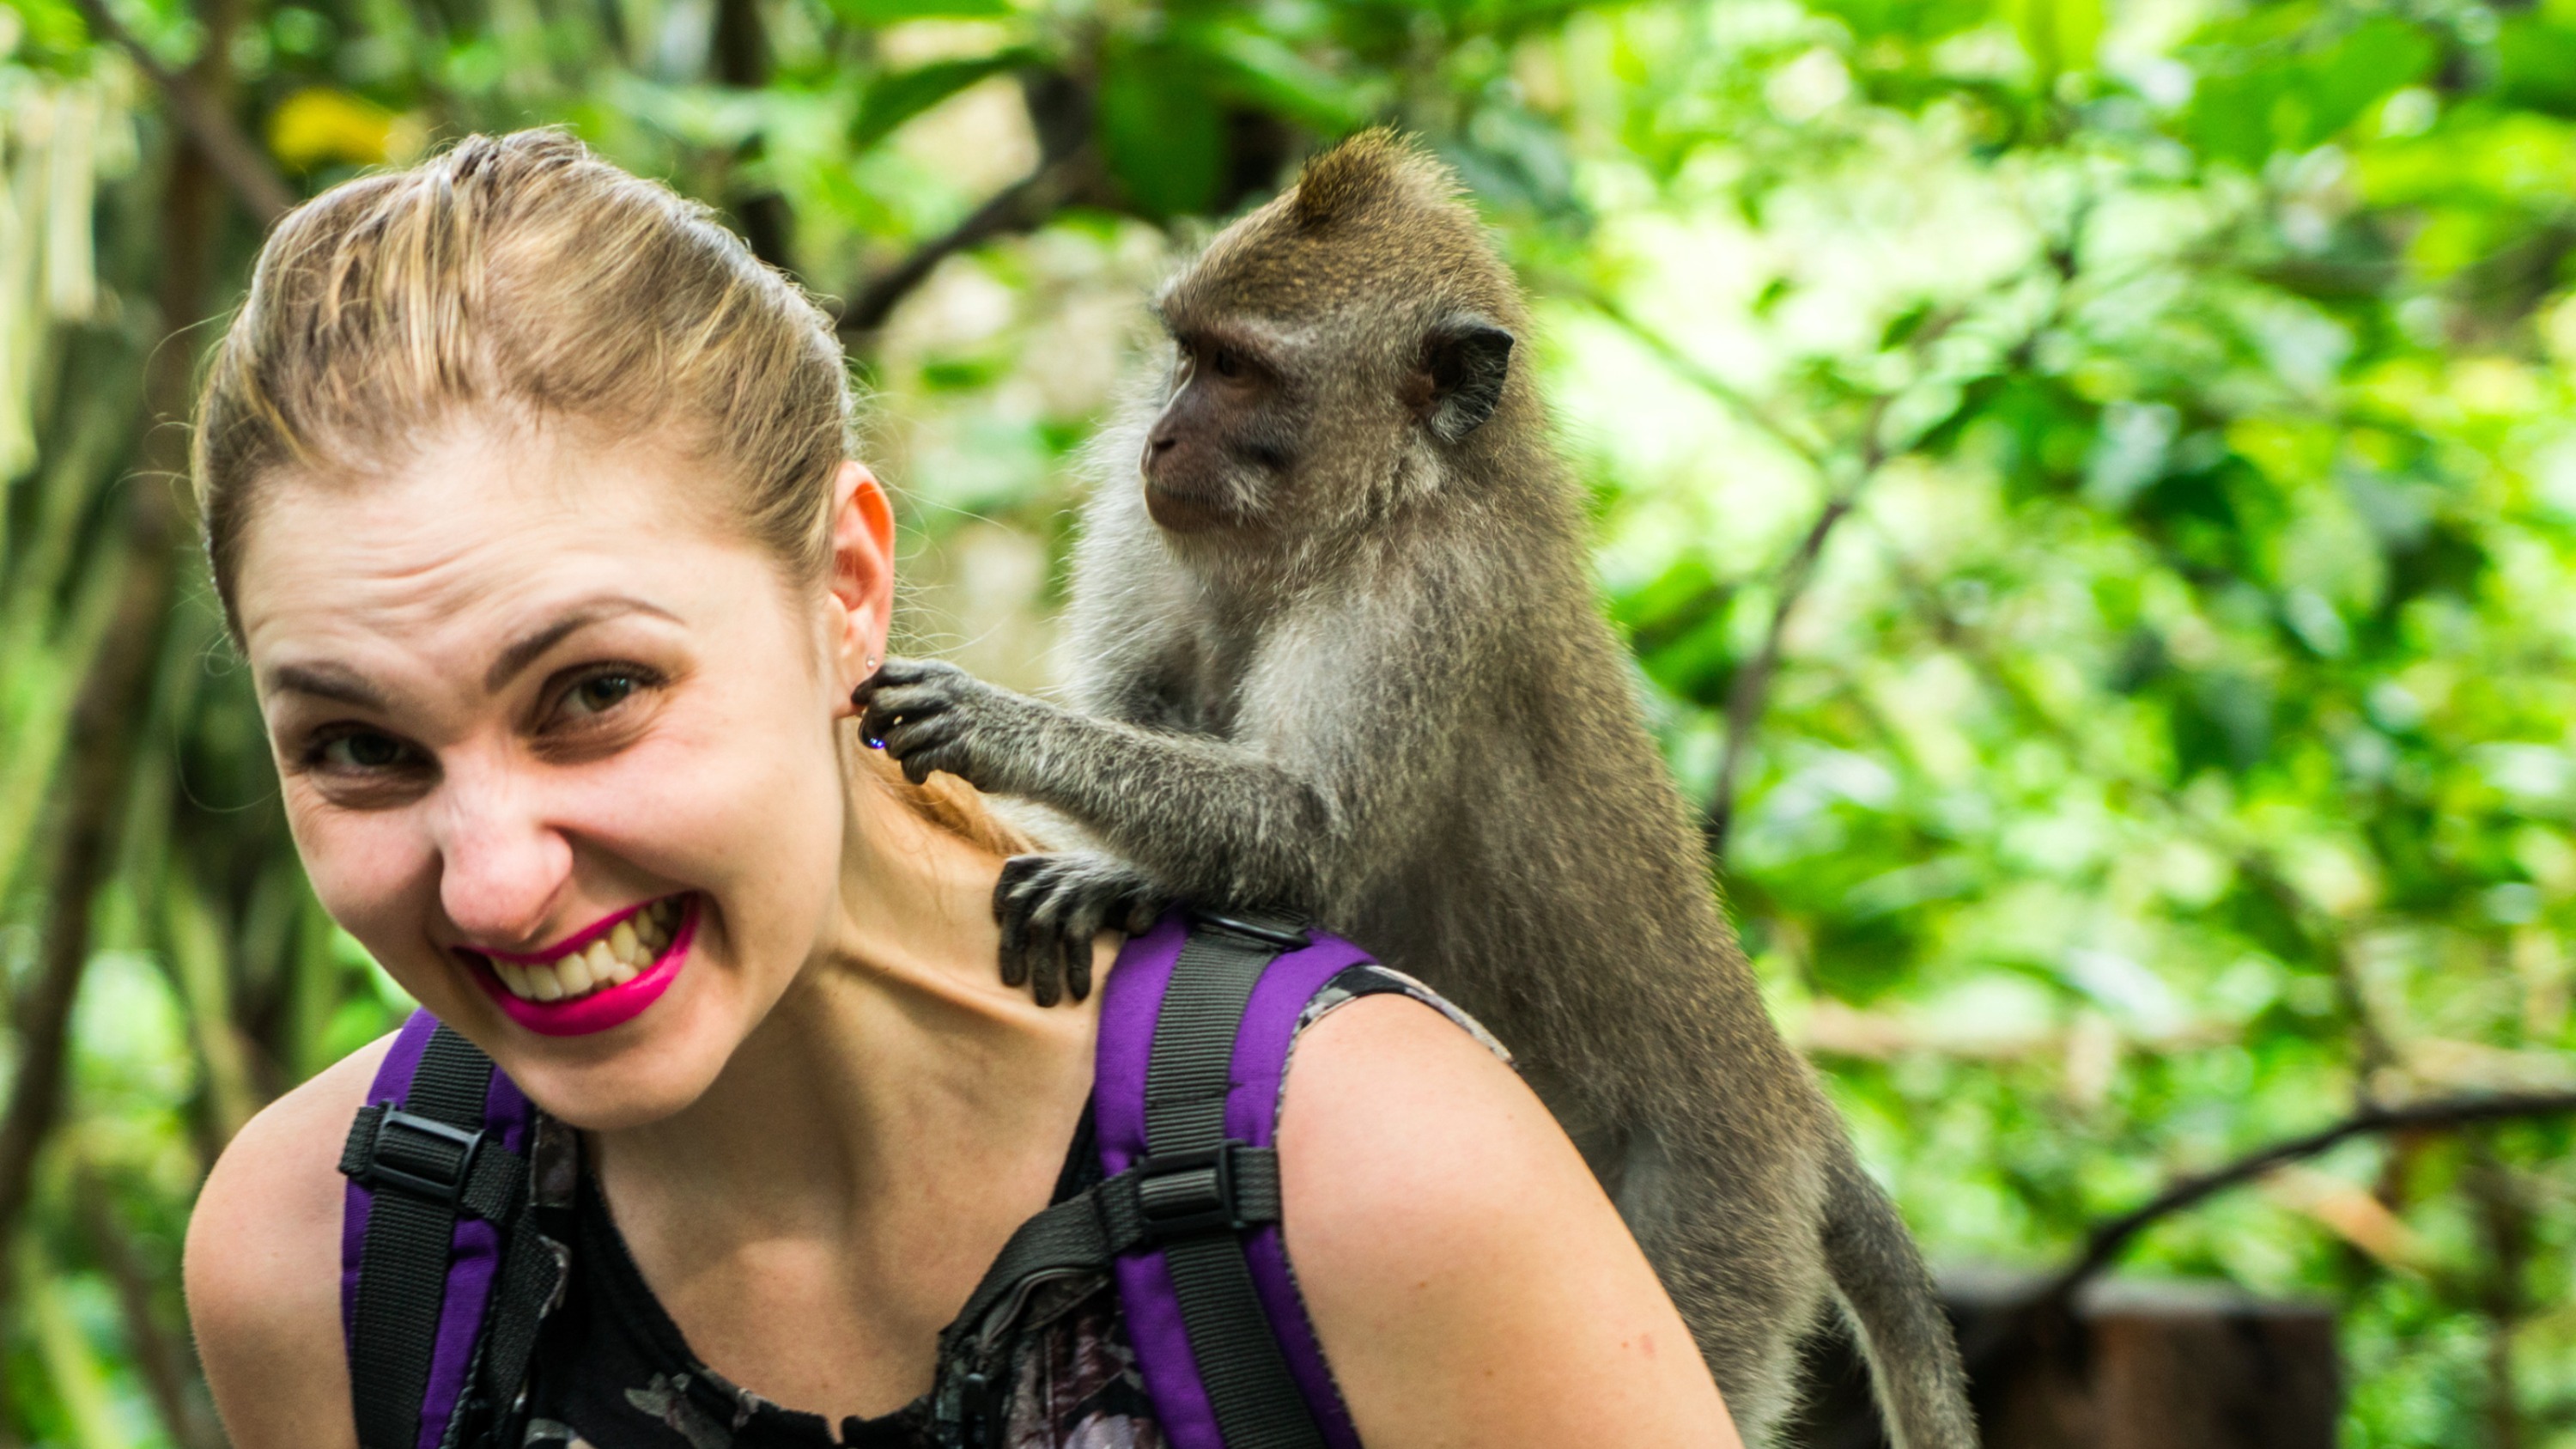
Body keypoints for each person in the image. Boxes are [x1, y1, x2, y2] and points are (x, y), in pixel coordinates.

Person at [181, 130, 1741, 1449]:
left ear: (846, 590)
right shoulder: (329, 1252)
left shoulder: (1371, 1177)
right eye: (359, 747)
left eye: (597, 694)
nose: (495, 885)